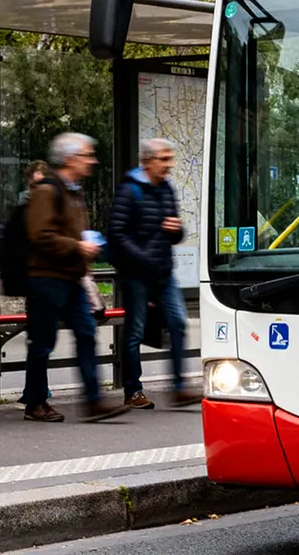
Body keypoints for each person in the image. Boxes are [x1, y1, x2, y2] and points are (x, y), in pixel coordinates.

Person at [20, 132, 129, 423]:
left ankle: (93, 400)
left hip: (72, 277)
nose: (92, 161)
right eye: (86, 155)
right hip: (47, 278)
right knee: (43, 343)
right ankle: (35, 402)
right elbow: (40, 235)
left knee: (86, 333)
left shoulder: (73, 192)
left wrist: (85, 246)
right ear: (69, 158)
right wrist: (77, 245)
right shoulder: (48, 191)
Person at [109, 139, 201, 410]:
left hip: (163, 273)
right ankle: (133, 390)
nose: (169, 164)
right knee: (135, 332)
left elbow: (175, 233)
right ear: (147, 161)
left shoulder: (166, 190)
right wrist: (142, 257)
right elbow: (117, 232)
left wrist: (176, 230)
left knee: (178, 323)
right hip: (137, 274)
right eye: (163, 159)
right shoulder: (129, 191)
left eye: (170, 158)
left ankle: (178, 387)